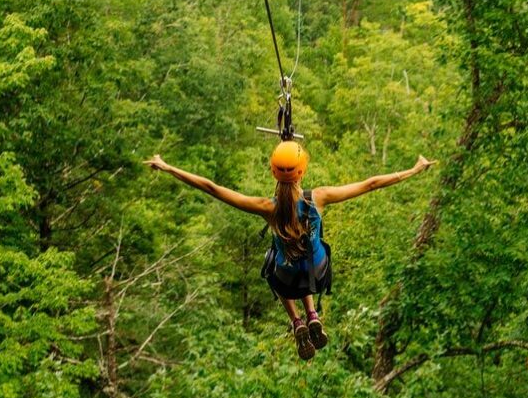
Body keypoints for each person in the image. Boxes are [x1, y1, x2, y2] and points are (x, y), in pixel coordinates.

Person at [144, 143, 435, 360]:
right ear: (302, 171)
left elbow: (211, 187)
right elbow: (370, 184)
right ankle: (312, 314)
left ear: (273, 172)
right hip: (317, 274)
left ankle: (296, 320)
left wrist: (168, 167)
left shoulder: (266, 208)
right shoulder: (319, 198)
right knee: (310, 252)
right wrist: (414, 169)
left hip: (287, 280)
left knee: (275, 259)